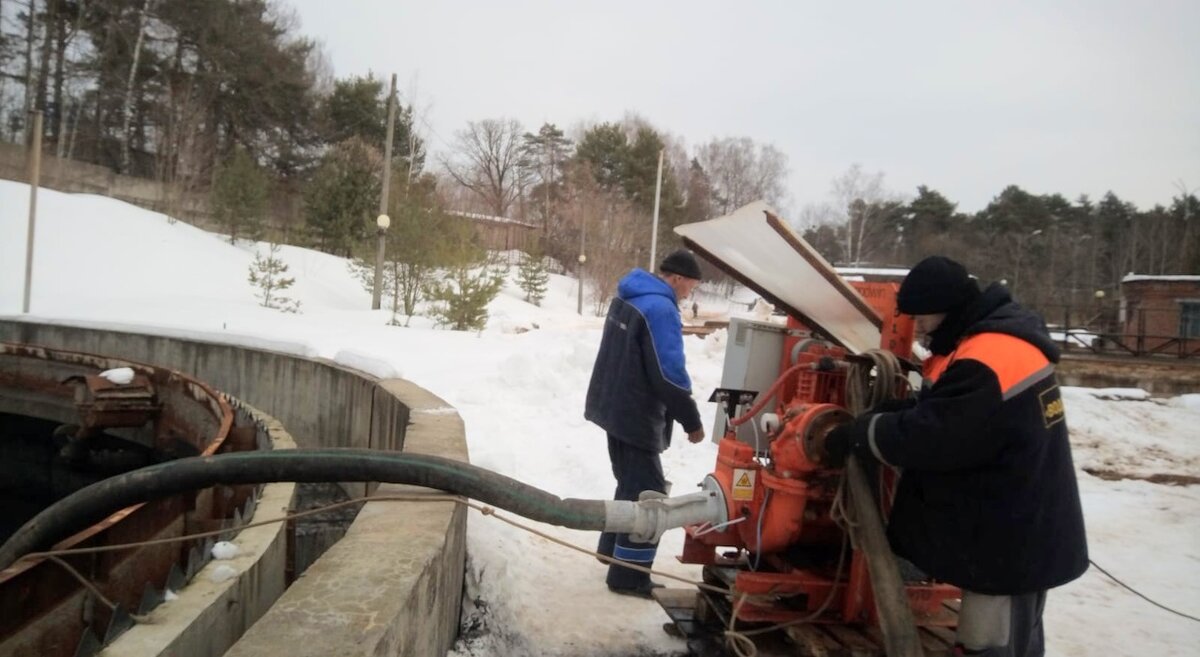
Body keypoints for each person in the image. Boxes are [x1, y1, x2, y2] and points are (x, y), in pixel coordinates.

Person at [825, 255, 1088, 657]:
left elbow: (937, 436)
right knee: (1014, 637)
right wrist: (895, 413)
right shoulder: (990, 342)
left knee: (992, 645)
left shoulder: (987, 358)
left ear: (945, 310)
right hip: (1021, 521)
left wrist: (861, 433)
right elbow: (947, 410)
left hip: (1009, 539)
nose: (924, 333)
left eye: (925, 322)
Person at [586, 249, 707, 599]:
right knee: (648, 493)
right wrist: (691, 420)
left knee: (630, 481)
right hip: (635, 412)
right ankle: (629, 576)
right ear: (678, 278)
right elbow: (668, 374)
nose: (689, 294)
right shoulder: (660, 309)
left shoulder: (630, 295)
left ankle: (611, 549)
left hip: (613, 406)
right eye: (691, 287)